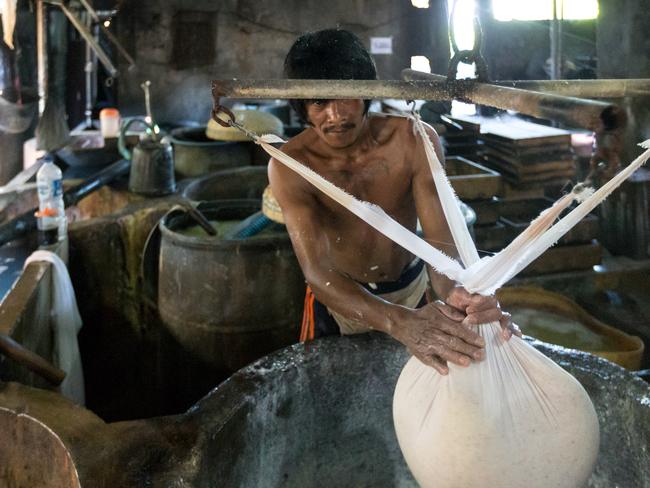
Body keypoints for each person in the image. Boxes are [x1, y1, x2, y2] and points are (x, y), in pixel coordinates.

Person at [268, 28, 519, 375]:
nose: (336, 115)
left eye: (346, 97)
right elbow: (317, 271)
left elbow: (441, 245)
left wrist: (464, 297)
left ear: (368, 93)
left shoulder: (413, 141)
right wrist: (401, 323)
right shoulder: (292, 166)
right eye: (319, 102)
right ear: (301, 107)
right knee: (339, 397)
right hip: (342, 300)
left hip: (413, 288)